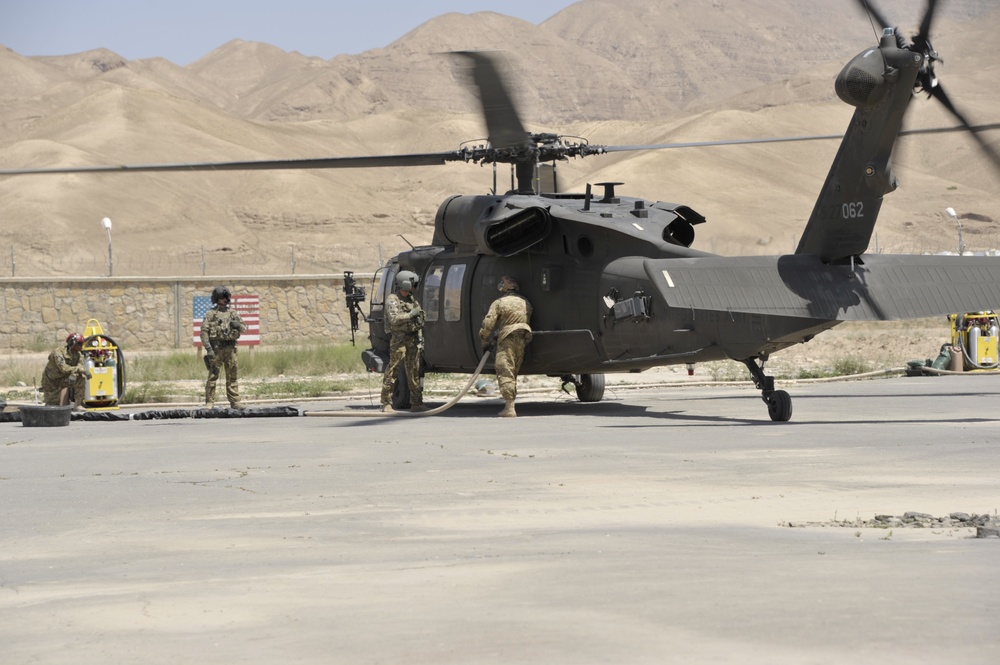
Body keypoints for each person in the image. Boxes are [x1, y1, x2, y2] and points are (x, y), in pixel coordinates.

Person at [479, 275, 533, 417]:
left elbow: (488, 323)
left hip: (507, 340)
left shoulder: (499, 303)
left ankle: (509, 407)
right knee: (513, 372)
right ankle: (511, 404)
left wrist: (484, 340)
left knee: (505, 370)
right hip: (522, 339)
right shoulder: (525, 302)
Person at [380, 270, 428, 413]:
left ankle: (416, 403)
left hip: (412, 339)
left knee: (414, 370)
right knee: (393, 369)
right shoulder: (392, 299)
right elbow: (394, 319)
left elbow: (418, 317)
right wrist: (410, 315)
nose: (414, 287)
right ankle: (386, 402)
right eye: (413, 284)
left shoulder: (411, 300)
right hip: (399, 339)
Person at [201, 286, 247, 409]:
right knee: (213, 376)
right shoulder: (211, 314)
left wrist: (237, 325)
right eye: (223, 298)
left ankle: (234, 401)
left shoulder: (232, 313)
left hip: (231, 349)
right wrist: (208, 349)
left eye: (226, 298)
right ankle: (209, 402)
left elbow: (244, 328)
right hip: (216, 349)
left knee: (232, 376)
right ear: (217, 299)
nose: (225, 300)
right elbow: (204, 332)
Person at [41, 332, 91, 411]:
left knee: (80, 378)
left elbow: (80, 365)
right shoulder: (58, 353)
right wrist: (78, 369)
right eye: (80, 344)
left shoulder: (78, 355)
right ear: (72, 343)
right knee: (52, 407)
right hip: (51, 382)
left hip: (64, 379)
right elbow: (63, 368)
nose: (81, 346)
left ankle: (77, 405)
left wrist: (78, 372)